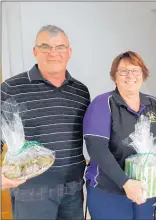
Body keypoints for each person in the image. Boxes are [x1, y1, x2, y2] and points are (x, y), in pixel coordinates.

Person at [1, 25, 90, 220]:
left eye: (60, 47)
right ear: (35, 52)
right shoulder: (11, 88)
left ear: (69, 52)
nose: (53, 53)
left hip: (72, 190)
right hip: (31, 192)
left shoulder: (81, 91)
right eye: (45, 47)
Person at [83, 51, 156, 220]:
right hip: (109, 191)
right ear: (114, 77)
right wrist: (125, 182)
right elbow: (97, 149)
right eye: (123, 71)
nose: (130, 75)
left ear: (143, 75)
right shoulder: (103, 103)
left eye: (136, 70)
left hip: (145, 191)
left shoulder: (153, 103)